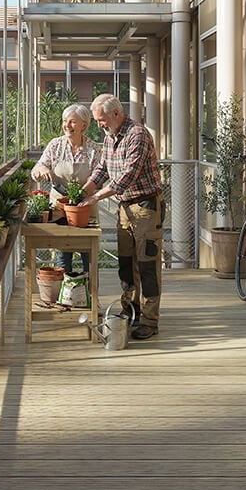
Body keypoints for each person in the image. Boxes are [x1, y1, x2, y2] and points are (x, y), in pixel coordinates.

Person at [82, 93, 163, 341]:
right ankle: (130, 312)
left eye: (101, 120)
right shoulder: (110, 137)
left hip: (146, 207)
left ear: (116, 114)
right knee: (126, 265)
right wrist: (83, 191)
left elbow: (126, 176)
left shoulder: (137, 135)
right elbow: (102, 169)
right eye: (97, 121)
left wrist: (95, 198)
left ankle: (149, 321)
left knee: (147, 265)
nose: (99, 125)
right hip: (125, 209)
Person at [31, 103, 101, 276]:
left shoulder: (93, 149)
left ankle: (89, 297)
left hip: (85, 207)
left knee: (89, 256)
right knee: (63, 254)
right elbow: (37, 169)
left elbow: (99, 178)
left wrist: (81, 195)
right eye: (64, 121)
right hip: (59, 208)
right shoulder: (55, 145)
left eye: (72, 122)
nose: (66, 126)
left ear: (84, 125)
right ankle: (64, 297)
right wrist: (42, 170)